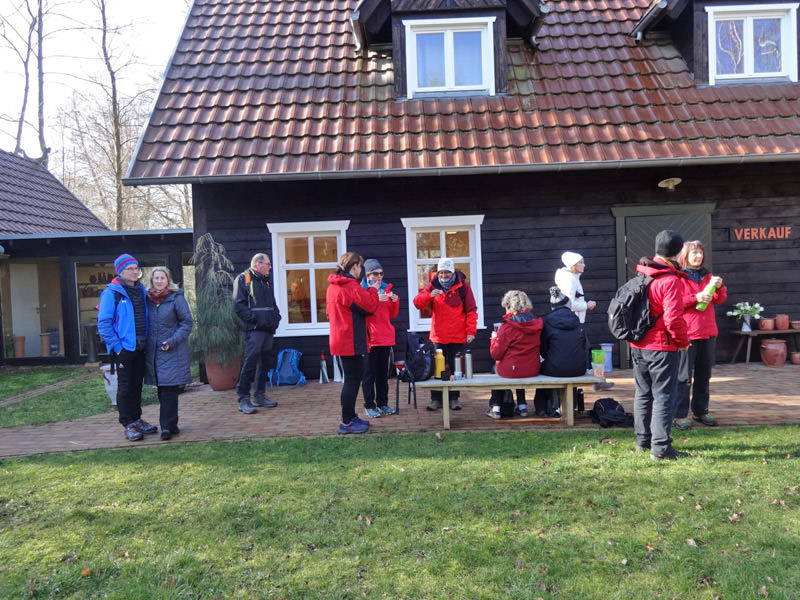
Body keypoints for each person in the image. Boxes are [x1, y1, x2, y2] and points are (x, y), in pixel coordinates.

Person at [630, 230, 691, 460]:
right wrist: (683, 342)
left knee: (643, 393)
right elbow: (673, 319)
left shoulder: (642, 273)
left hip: (638, 345)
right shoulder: (670, 280)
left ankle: (643, 442)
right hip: (661, 347)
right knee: (664, 395)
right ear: (678, 252)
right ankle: (661, 448)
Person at [97, 253, 157, 441]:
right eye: (129, 269)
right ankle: (128, 424)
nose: (134, 271)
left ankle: (137, 419)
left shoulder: (141, 290)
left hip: (140, 347)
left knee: (136, 386)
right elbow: (104, 324)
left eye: (136, 268)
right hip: (123, 349)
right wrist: (118, 348)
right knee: (125, 387)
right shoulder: (112, 293)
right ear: (120, 272)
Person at [673, 241, 727, 430]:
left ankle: (701, 411)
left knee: (704, 375)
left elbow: (720, 299)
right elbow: (675, 302)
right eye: (694, 253)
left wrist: (720, 287)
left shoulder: (708, 276)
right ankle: (679, 415)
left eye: (701, 253)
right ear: (685, 256)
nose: (698, 256)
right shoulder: (678, 277)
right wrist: (695, 298)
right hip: (687, 334)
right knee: (683, 377)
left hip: (708, 332)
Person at [413, 257, 478, 411]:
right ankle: (436, 399)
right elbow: (417, 303)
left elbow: (471, 310)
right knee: (438, 368)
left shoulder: (463, 287)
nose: (443, 275)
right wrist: (429, 295)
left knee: (455, 370)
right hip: (438, 336)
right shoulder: (432, 285)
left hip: (458, 335)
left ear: (452, 271)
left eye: (446, 272)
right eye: (441, 272)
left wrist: (471, 331)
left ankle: (454, 399)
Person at [327, 251, 380, 434]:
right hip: (351, 340)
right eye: (360, 267)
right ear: (355, 266)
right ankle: (347, 422)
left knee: (351, 379)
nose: (361, 271)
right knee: (352, 381)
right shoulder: (350, 286)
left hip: (340, 338)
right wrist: (373, 289)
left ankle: (349, 416)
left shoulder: (333, 287)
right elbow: (370, 306)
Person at [143, 267, 193, 440]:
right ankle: (172, 425)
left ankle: (166, 427)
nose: (159, 281)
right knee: (162, 390)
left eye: (162, 278)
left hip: (172, 350)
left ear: (168, 280)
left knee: (168, 390)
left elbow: (187, 323)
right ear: (152, 280)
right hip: (153, 352)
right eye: (156, 278)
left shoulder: (176, 298)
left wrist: (172, 341)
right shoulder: (147, 299)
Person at [555, 251, 614, 392]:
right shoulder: (570, 280)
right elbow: (569, 304)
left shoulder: (571, 277)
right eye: (581, 262)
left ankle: (597, 381)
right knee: (586, 349)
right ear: (573, 265)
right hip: (574, 322)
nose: (584, 265)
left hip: (574, 321)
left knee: (586, 349)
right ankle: (596, 381)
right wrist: (587, 305)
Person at [233, 253, 281, 414]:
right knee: (250, 363)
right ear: (258, 264)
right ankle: (243, 399)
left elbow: (272, 304)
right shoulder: (243, 279)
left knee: (265, 363)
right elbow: (239, 306)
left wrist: (276, 318)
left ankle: (259, 395)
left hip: (268, 329)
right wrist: (256, 320)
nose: (270, 267)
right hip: (254, 330)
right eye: (268, 264)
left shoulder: (265, 280)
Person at [533, 287, 590, 417]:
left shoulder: (546, 322)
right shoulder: (577, 321)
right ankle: (570, 405)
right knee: (566, 366)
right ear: (569, 306)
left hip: (554, 368)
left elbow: (543, 350)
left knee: (543, 369)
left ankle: (543, 408)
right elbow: (584, 346)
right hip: (578, 369)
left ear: (552, 306)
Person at [486, 290, 542, 419]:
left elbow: (496, 354)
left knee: (497, 368)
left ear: (508, 306)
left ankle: (496, 407)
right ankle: (522, 406)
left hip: (512, 370)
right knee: (519, 365)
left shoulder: (507, 327)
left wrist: (494, 339)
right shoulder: (537, 324)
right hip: (532, 369)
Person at [360, 258, 400, 418]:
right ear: (367, 275)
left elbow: (392, 314)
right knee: (369, 375)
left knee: (383, 375)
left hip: (385, 337)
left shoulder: (386, 289)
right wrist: (375, 299)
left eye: (381, 273)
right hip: (370, 338)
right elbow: (363, 312)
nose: (379, 277)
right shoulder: (361, 290)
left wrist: (395, 302)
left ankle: (383, 403)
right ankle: (369, 405)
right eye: (375, 273)